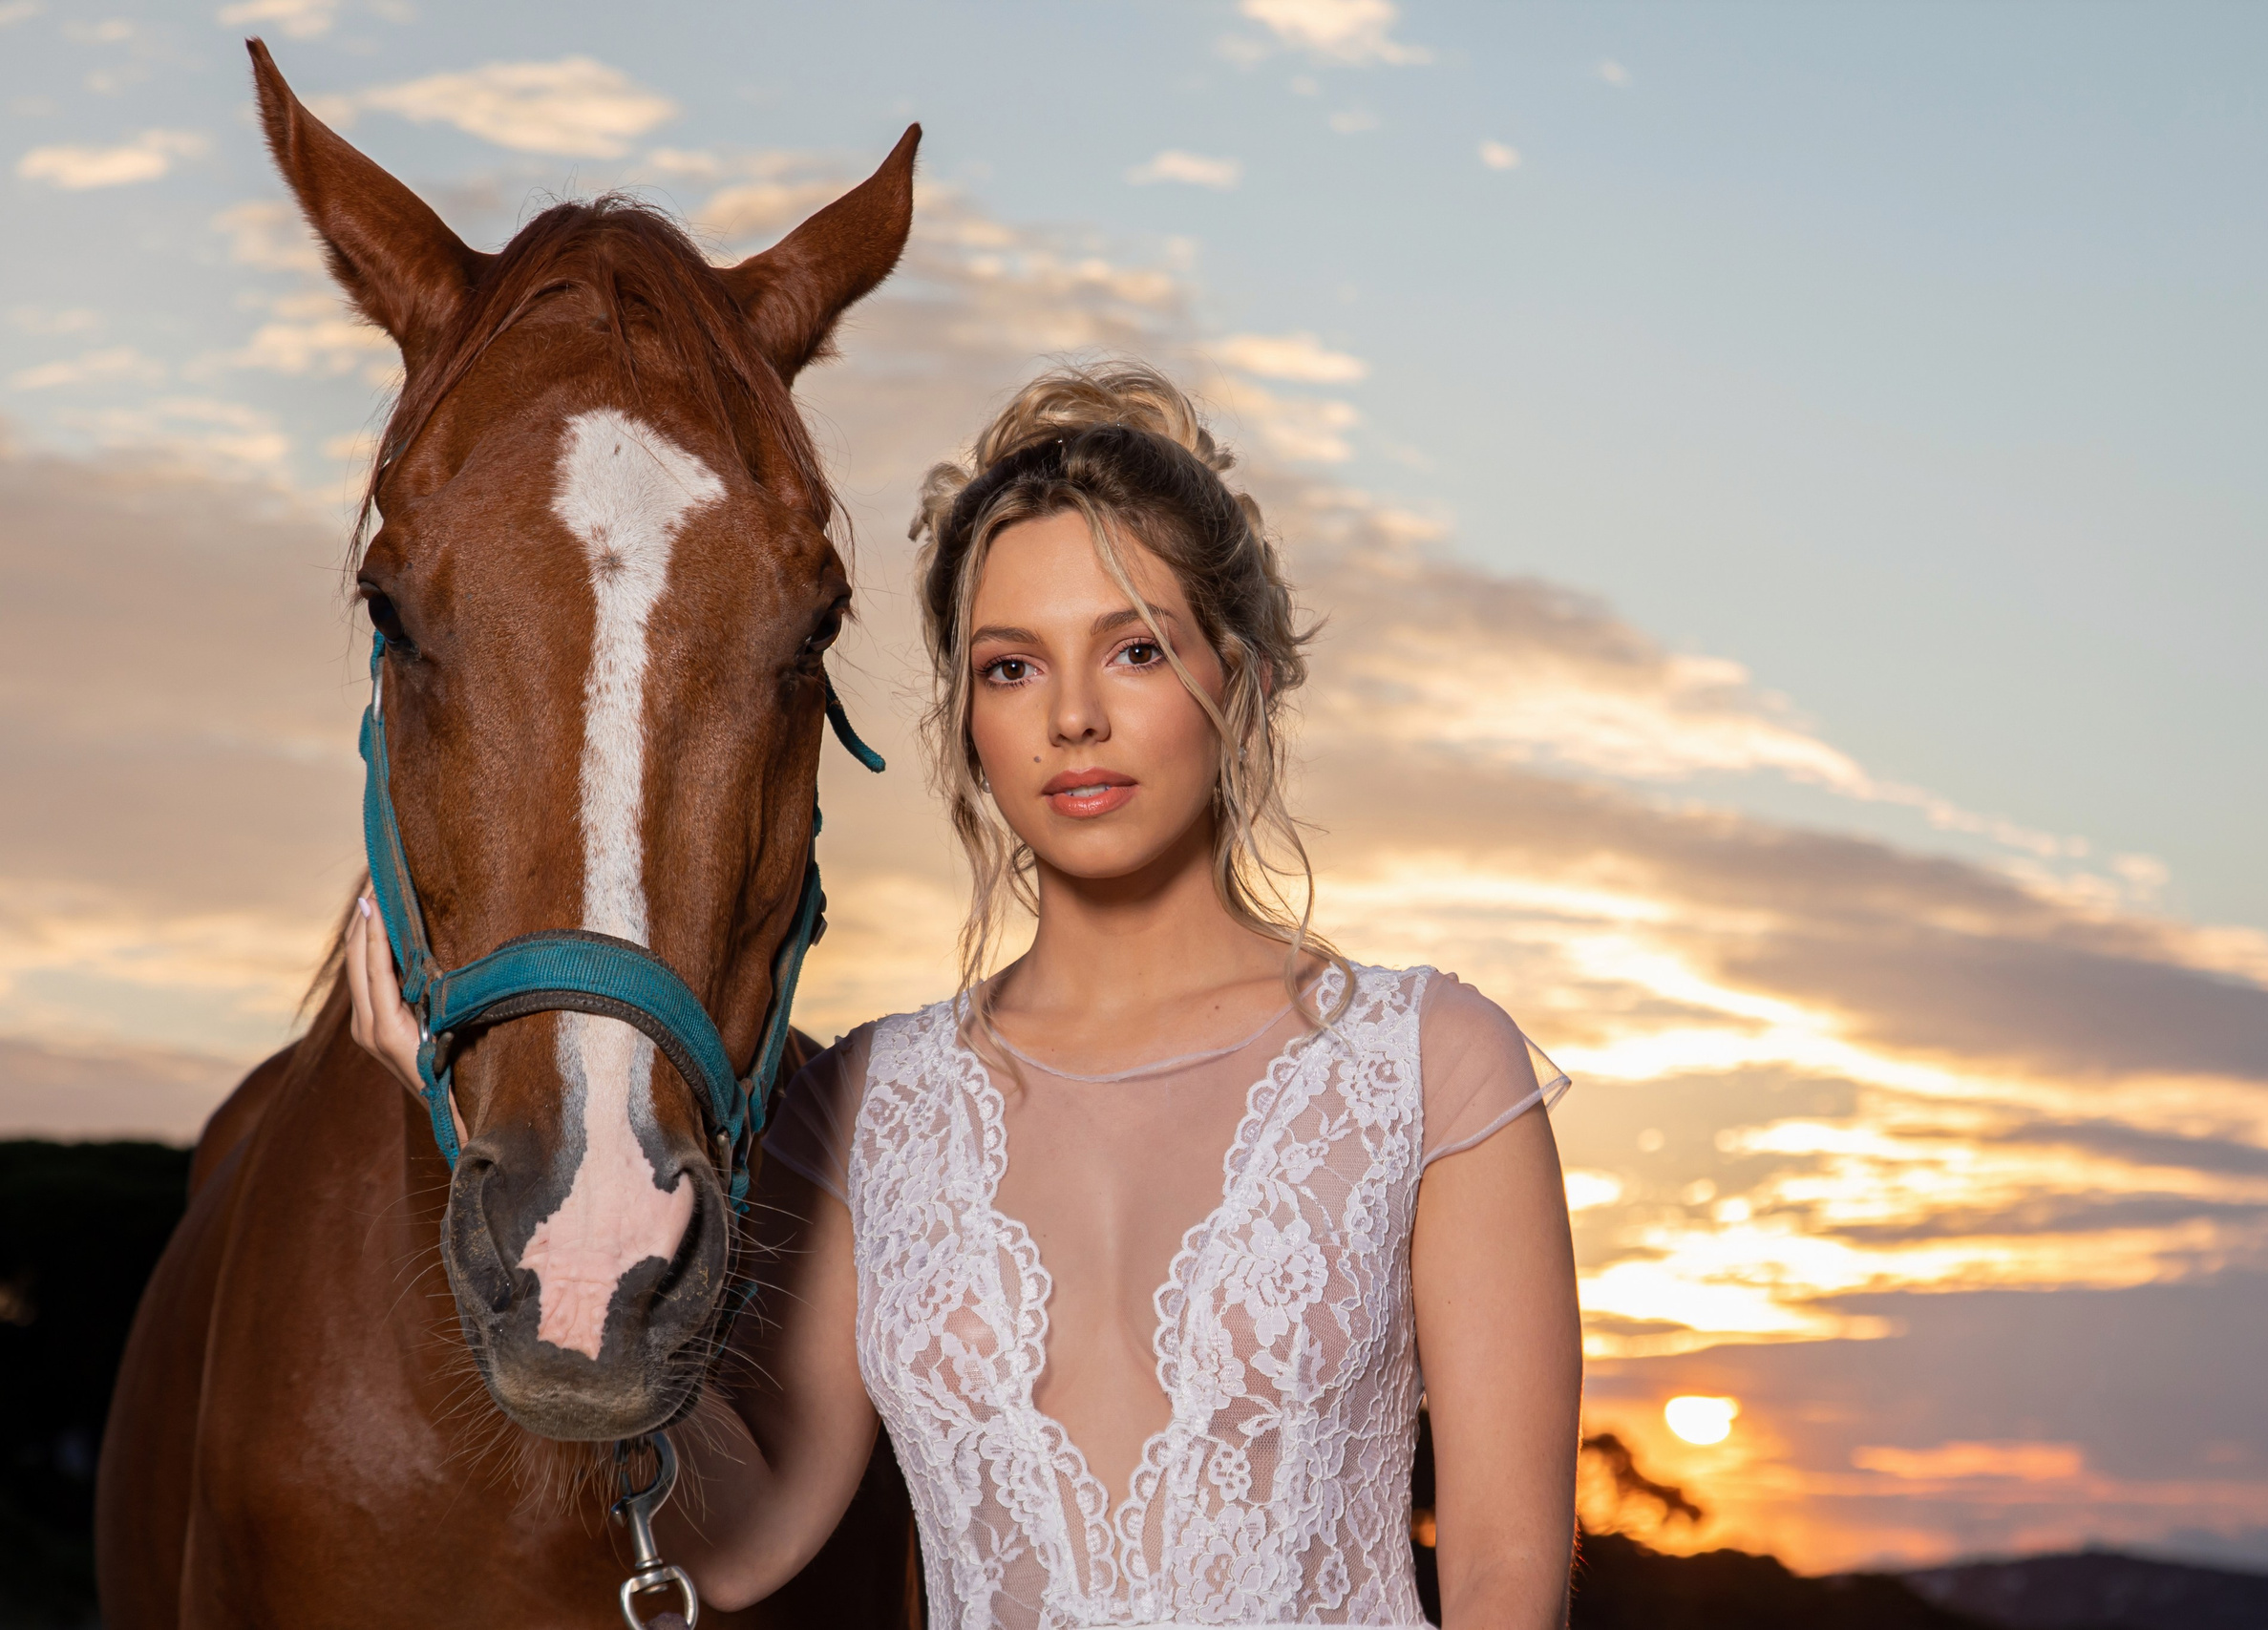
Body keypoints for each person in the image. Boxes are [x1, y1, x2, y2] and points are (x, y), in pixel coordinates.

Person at [346, 362, 1580, 1629]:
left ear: (1243, 683)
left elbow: (1501, 1580)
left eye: (1137, 649)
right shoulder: (868, 1103)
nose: (1076, 717)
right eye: (1011, 668)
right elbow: (744, 1544)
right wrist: (474, 1155)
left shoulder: (1430, 1064)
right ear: (967, 730)